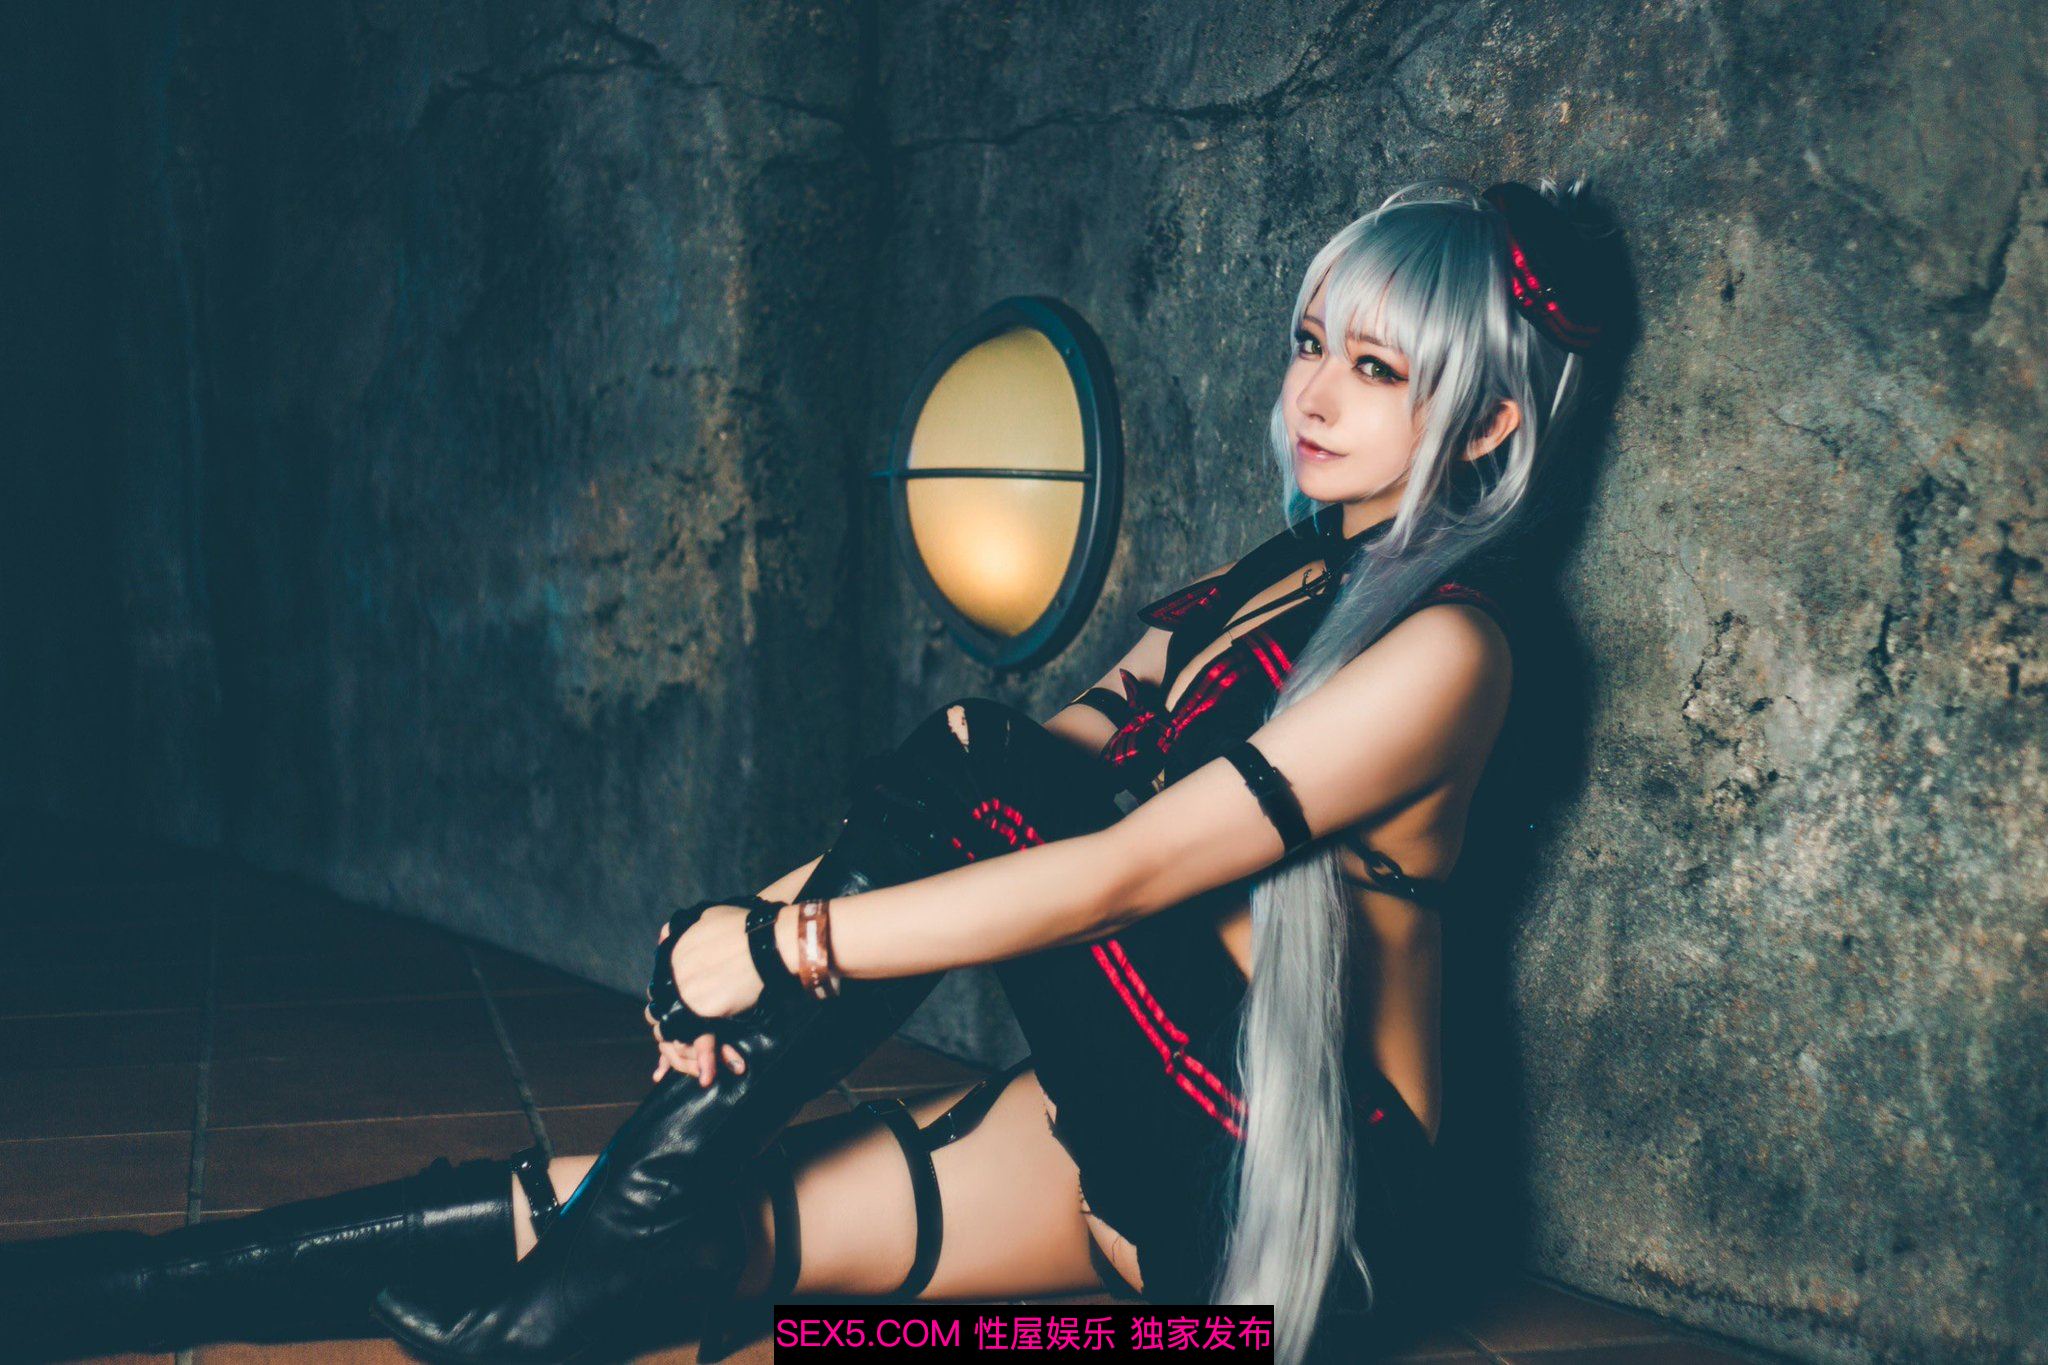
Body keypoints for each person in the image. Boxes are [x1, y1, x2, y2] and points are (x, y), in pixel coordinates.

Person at [0, 177, 1622, 1365]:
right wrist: (740, 930)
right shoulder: (1261, 589)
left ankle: (614, 1253)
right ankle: (107, 1287)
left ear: (1488, 424)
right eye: (1312, 342)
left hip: (1315, 1208)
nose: (1314, 392)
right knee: (694, 1231)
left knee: (982, 770)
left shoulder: (1453, 650)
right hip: (1150, 1144)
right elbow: (1044, 762)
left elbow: (1118, 866)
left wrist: (784, 947)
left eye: (1379, 369)